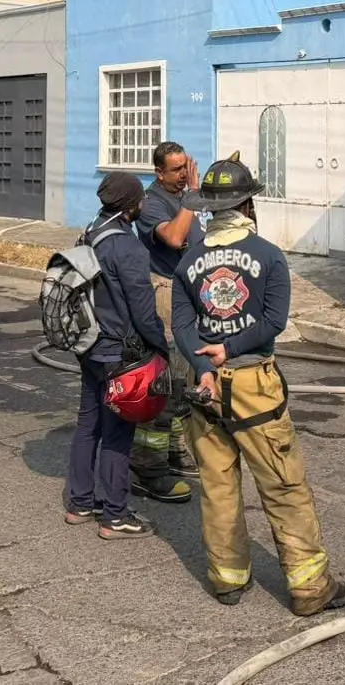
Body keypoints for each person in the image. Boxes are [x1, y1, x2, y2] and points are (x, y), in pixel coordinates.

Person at [172, 151, 345, 616]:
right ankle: (311, 588)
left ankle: (227, 579)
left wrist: (206, 366)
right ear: (248, 206)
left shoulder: (188, 262)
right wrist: (230, 352)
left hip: (203, 388)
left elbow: (183, 327)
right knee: (283, 484)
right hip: (254, 385)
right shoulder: (269, 256)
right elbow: (274, 321)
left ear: (209, 209)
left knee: (217, 483)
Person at [64, 173, 171, 540]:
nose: (144, 204)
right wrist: (161, 347)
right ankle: (115, 514)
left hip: (88, 344)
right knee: (118, 431)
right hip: (118, 352)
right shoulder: (128, 248)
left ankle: (80, 502)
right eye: (140, 199)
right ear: (131, 206)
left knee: (87, 423)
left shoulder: (92, 230)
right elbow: (143, 311)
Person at [129, 140, 204, 504]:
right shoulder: (152, 203)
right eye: (175, 170)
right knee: (164, 383)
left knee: (184, 382)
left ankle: (175, 451)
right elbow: (175, 238)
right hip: (163, 295)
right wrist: (192, 196)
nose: (183, 175)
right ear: (159, 172)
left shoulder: (187, 197)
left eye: (184, 167)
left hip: (188, 297)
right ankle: (148, 467)